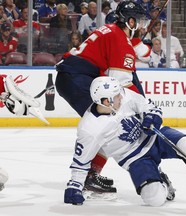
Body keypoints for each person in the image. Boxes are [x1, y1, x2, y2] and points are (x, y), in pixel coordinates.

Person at [63, 76, 186, 206]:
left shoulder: (123, 96)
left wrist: (152, 117)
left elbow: (148, 105)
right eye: (116, 96)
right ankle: (162, 181)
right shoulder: (89, 128)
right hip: (134, 160)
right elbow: (81, 160)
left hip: (153, 137)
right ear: (105, 100)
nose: (121, 96)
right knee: (154, 200)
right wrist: (75, 186)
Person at [55, 1, 148, 195]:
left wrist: (135, 44)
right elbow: (121, 84)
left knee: (110, 122)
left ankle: (89, 174)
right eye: (138, 20)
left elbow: (139, 56)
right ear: (129, 21)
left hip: (73, 77)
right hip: (78, 80)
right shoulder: (120, 40)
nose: (141, 24)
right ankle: (85, 176)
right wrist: (144, 106)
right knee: (110, 123)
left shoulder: (112, 31)